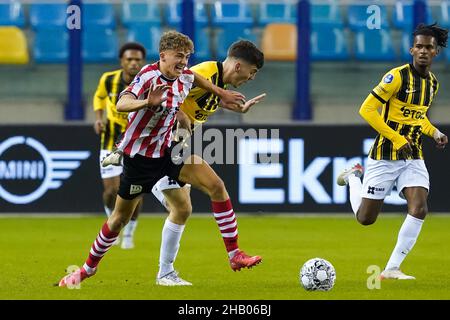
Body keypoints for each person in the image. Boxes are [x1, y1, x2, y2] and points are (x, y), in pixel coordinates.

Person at [58, 30, 256, 287]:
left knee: (215, 186)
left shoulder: (184, 76)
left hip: (167, 152)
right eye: (178, 56)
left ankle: (234, 254)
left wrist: (220, 95)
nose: (183, 61)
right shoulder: (148, 76)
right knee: (119, 219)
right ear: (163, 56)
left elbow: (193, 78)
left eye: (186, 56)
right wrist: (145, 103)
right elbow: (122, 103)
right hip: (138, 159)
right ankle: (86, 270)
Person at [337, 23, 448, 280]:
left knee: (419, 208)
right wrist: (397, 138)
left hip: (413, 156)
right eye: (418, 46)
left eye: (428, 47)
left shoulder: (432, 84)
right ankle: (354, 176)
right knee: (366, 219)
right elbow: (366, 109)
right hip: (385, 155)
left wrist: (435, 133)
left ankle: (392, 268)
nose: (422, 51)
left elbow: (418, 118)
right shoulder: (396, 77)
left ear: (435, 53)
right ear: (411, 49)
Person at [151, 40, 265, 285]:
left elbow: (203, 100)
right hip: (162, 145)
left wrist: (237, 109)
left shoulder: (217, 83)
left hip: (174, 146)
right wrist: (179, 116)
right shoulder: (204, 73)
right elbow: (167, 94)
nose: (252, 78)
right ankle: (234, 254)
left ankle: (165, 273)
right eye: (252, 72)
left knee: (182, 210)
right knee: (216, 187)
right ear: (237, 66)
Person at [93, 42, 146, 249]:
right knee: (110, 191)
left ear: (142, 61)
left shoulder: (148, 81)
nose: (133, 63)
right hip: (110, 140)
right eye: (129, 59)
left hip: (138, 142)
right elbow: (99, 97)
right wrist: (98, 118)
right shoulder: (108, 79)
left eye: (137, 60)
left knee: (135, 190)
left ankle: (130, 233)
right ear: (122, 61)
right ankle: (112, 224)